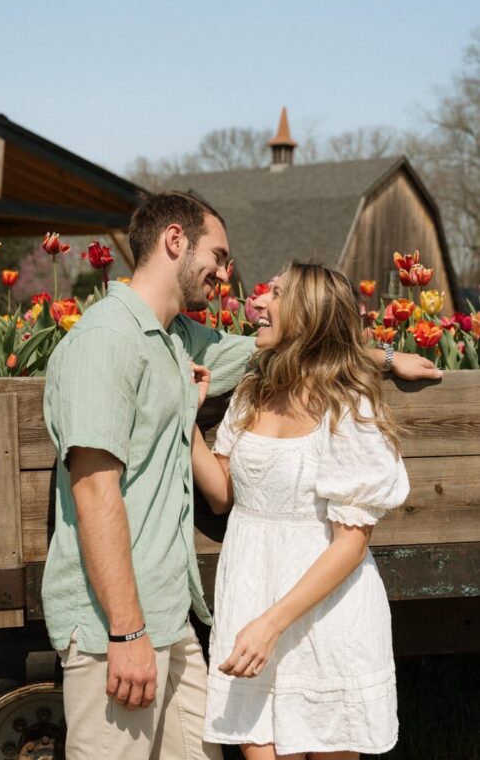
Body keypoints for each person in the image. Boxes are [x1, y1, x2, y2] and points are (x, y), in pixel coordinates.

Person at [42, 193, 440, 760]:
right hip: (122, 622)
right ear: (174, 241)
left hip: (172, 619)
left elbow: (298, 345)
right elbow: (95, 493)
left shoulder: (177, 338)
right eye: (219, 255)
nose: (230, 277)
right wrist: (127, 632)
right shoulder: (105, 343)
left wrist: (376, 356)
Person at [191, 263, 413, 760]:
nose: (259, 302)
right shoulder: (253, 391)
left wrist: (272, 624)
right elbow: (223, 494)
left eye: (277, 294)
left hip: (325, 610)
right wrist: (187, 420)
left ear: (308, 315)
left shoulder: (347, 408)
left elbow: (351, 544)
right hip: (251, 589)